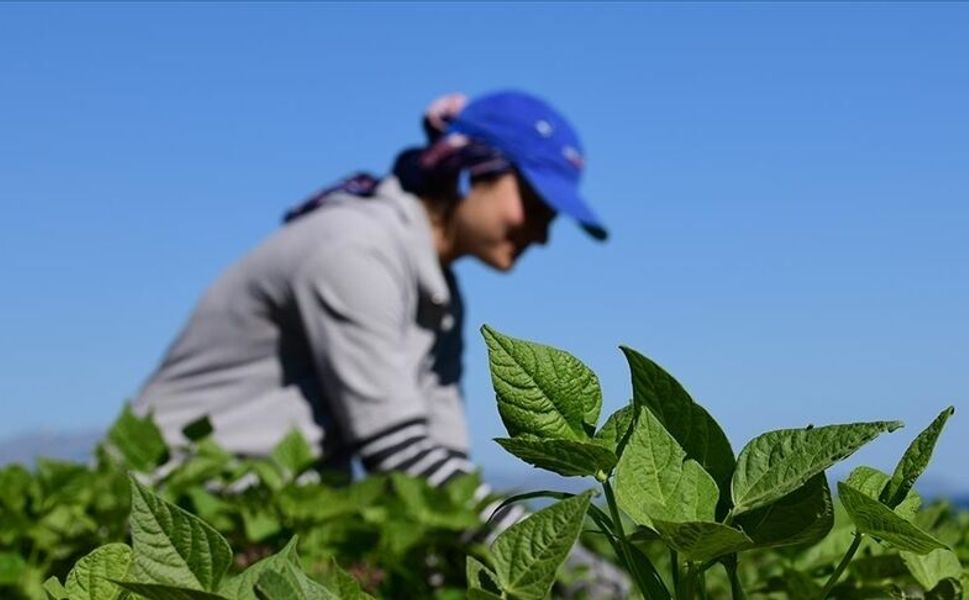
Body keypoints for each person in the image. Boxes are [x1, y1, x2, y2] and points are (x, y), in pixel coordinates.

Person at [133, 90, 625, 596]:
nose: (542, 233)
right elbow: (398, 451)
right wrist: (573, 575)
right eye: (535, 204)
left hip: (266, 517)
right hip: (177, 505)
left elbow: (443, 472)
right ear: (469, 170)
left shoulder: (438, 293)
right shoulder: (353, 249)